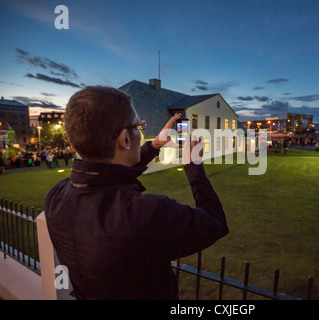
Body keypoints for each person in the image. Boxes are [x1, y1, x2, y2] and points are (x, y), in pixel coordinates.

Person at [43, 86, 228, 300]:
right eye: (138, 126)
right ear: (125, 139)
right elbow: (215, 222)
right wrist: (194, 167)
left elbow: (106, 174)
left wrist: (155, 145)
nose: (140, 132)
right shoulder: (144, 214)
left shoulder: (56, 197)